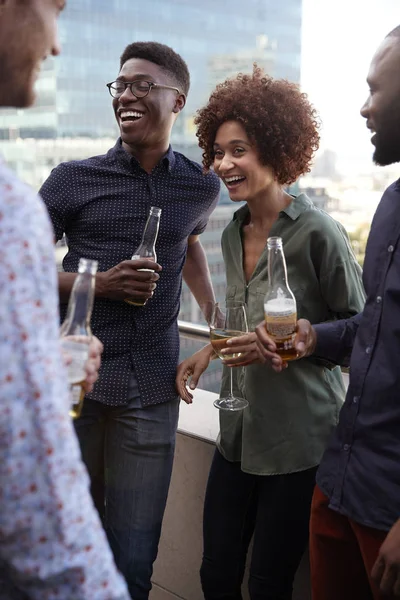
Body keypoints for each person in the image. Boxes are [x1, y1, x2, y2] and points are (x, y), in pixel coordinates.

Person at [39, 41, 220, 599]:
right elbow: (12, 270)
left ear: (177, 100)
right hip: (76, 389)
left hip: (151, 393)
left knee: (135, 557)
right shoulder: (72, 179)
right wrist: (99, 283)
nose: (127, 95)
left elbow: (189, 243)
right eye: (121, 85)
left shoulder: (201, 185)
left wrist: (216, 317)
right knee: (69, 546)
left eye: (143, 84)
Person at [176, 67, 365, 600]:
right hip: (237, 434)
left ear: (276, 150)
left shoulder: (318, 233)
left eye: (239, 150)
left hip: (298, 443)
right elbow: (243, 322)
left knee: (268, 586)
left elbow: (360, 339)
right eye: (217, 151)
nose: (223, 164)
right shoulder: (232, 228)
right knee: (215, 575)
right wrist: (206, 352)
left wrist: (301, 340)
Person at [255, 24, 400, 600]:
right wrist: (317, 338)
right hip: (342, 483)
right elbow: (379, 327)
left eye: (375, 89)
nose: (364, 108)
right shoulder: (390, 203)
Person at [0, 1, 131, 599]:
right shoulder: (17, 207)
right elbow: (33, 486)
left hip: (147, 387)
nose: (56, 45)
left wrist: (33, 366)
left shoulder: (198, 185)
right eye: (54, 7)